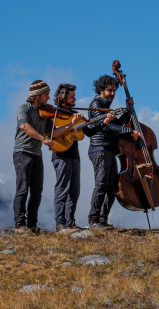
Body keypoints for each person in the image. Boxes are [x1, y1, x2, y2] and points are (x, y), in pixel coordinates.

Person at [13, 80, 84, 233]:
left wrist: (71, 123)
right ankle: (20, 224)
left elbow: (55, 132)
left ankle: (32, 225)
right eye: (46, 94)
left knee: (37, 191)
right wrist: (43, 139)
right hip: (22, 152)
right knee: (23, 188)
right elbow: (25, 126)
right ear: (37, 95)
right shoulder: (24, 108)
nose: (49, 97)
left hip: (37, 154)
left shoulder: (44, 114)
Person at [87, 74, 141, 230]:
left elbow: (115, 123)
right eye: (109, 90)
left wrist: (128, 112)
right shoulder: (96, 104)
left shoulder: (106, 106)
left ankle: (102, 220)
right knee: (101, 184)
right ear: (101, 89)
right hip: (100, 148)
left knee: (111, 187)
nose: (112, 94)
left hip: (109, 149)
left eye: (114, 91)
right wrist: (128, 131)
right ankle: (94, 220)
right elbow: (107, 127)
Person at [51, 83, 100, 231]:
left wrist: (103, 122)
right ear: (62, 97)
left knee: (74, 191)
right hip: (61, 154)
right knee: (62, 189)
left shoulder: (75, 114)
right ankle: (60, 224)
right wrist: (71, 124)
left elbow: (88, 133)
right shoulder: (54, 114)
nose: (74, 99)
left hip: (74, 155)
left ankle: (70, 222)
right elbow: (53, 132)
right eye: (71, 96)